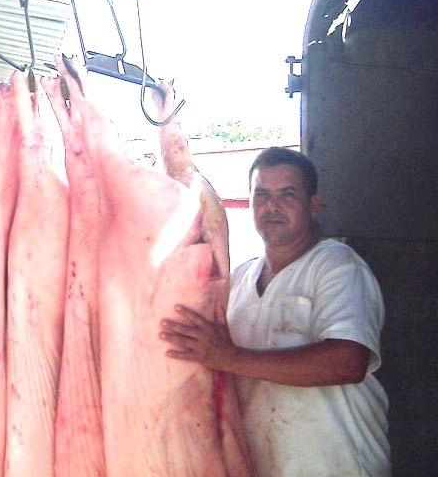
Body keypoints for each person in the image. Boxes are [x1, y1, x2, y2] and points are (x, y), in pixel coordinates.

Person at [159, 147, 390, 476]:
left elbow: (348, 361)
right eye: (262, 194)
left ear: (313, 204)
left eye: (287, 194)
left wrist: (230, 357)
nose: (272, 206)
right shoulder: (240, 279)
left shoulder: (337, 265)